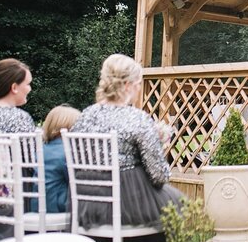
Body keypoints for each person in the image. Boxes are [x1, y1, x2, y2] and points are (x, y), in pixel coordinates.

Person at [70, 54, 182, 228]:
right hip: (126, 203)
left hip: (86, 203)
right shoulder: (137, 118)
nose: (139, 89)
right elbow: (159, 175)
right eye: (138, 84)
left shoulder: (84, 116)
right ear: (128, 85)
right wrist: (157, 144)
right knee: (177, 203)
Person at [41, 105, 79, 214]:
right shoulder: (67, 151)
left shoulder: (43, 149)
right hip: (59, 206)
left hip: (39, 204)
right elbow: (76, 180)